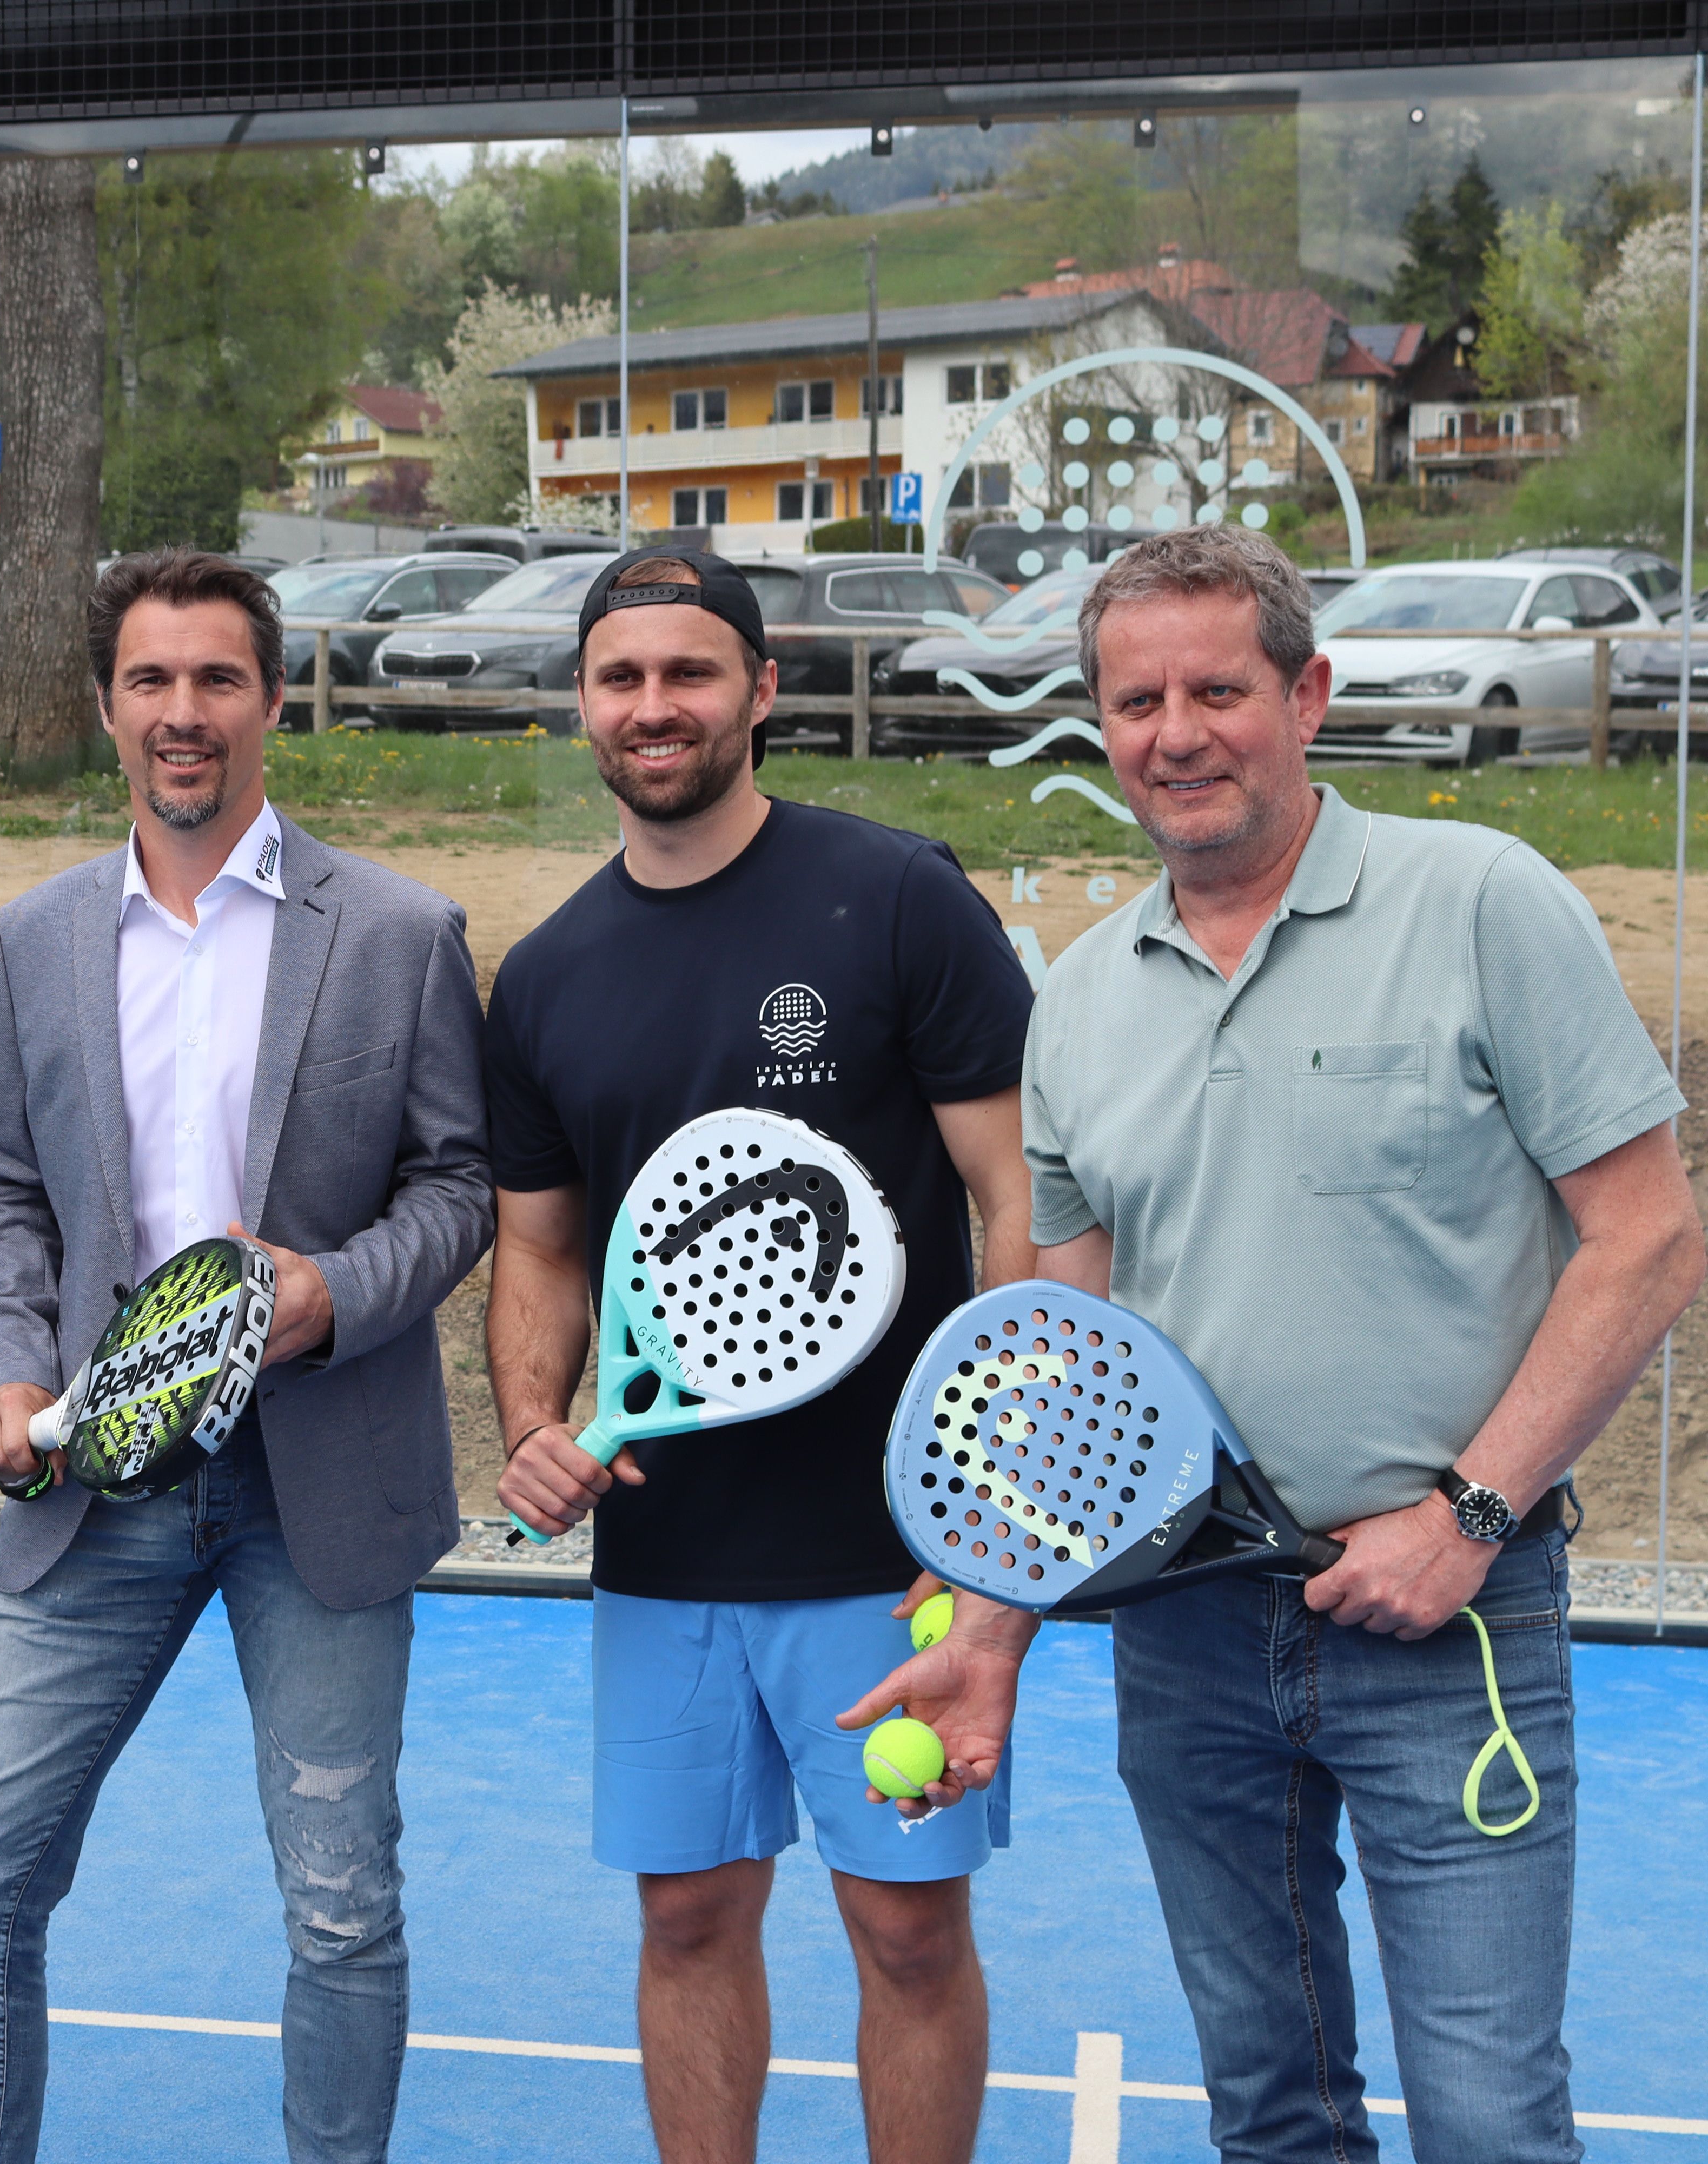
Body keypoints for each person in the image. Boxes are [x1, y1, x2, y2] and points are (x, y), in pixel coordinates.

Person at [850, 522, 1702, 2163]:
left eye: (1219, 690)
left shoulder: (1481, 903)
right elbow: (1072, 1368)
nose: (1178, 734)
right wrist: (996, 1638)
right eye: (1138, 700)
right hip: (1186, 1643)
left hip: (1452, 1630)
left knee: (1491, 2124)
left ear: (1306, 695)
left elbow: (1652, 1235)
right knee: (1272, 2115)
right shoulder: (1082, 1004)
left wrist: (1466, 1519)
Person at [0, 549, 494, 2164]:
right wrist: (3, 1361)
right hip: (91, 1486)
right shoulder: (39, 937)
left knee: (339, 1906)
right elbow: (1, 1179)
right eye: (153, 682)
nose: (186, 715)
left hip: (315, 1483)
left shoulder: (396, 930)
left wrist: (334, 1294)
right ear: (106, 706)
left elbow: (461, 1190)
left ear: (274, 700)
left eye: (218, 680)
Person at [487, 549, 1035, 2164]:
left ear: (761, 692)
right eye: (621, 679)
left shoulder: (900, 900)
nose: (655, 707)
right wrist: (534, 1417)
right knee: (689, 1928)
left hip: (895, 1555)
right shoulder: (546, 976)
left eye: (691, 673)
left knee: (911, 1938)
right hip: (667, 1562)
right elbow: (538, 1247)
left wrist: (989, 1485)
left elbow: (1017, 1199)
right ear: (584, 704)